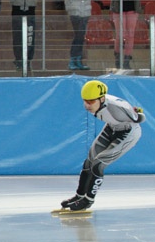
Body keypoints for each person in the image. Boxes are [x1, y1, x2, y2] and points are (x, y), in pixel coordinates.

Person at [59, 80, 145, 212]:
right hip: (111, 128)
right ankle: (79, 195)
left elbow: (139, 119)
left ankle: (88, 200)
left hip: (129, 132)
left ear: (102, 98)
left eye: (91, 101)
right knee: (89, 162)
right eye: (85, 101)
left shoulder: (117, 108)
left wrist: (137, 113)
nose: (87, 105)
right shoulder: (98, 102)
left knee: (99, 163)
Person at [6, 0, 42, 70]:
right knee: (17, 36)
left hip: (31, 8)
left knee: (30, 36)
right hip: (17, 8)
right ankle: (18, 60)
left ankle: (29, 60)